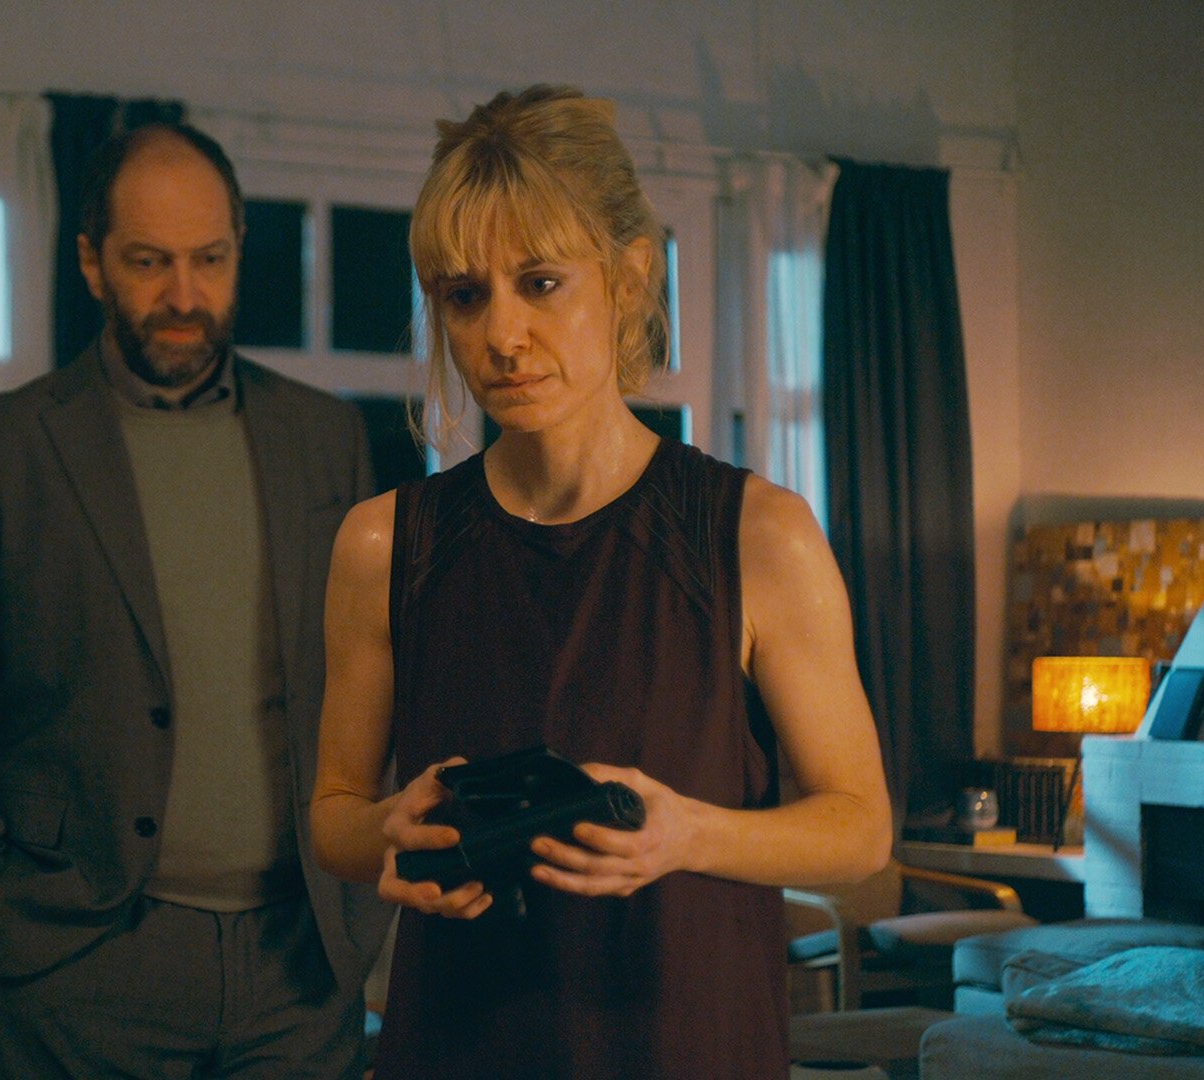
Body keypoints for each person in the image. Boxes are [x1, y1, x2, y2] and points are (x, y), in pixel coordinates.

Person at [309, 86, 892, 1079]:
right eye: (465, 295)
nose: (502, 335)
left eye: (540, 283)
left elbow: (861, 827)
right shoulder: (383, 544)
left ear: (628, 276)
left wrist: (688, 835)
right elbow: (335, 814)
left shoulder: (758, 535)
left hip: (684, 1043)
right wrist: (388, 832)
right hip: (458, 1046)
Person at [0, 120, 393, 1078]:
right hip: (84, 963)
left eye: (210, 259)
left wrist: (362, 916)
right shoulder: (3, 449)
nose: (185, 296)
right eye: (150, 261)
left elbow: (372, 678)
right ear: (91, 262)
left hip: (301, 965)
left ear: (239, 251)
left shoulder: (326, 437)